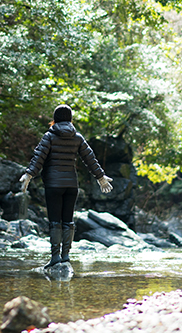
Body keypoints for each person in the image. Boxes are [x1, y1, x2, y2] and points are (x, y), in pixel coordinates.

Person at [19, 104, 113, 268]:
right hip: (71, 185)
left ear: (55, 119)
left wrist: (29, 175)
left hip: (53, 185)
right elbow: (89, 158)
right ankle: (66, 256)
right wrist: (100, 177)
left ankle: (55, 257)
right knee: (68, 220)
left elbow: (39, 157)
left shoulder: (49, 136)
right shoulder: (77, 137)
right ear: (70, 119)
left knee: (55, 220)